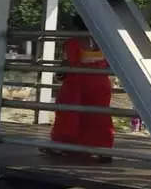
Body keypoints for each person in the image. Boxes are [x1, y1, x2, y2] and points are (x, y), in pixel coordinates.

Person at [46, 15, 114, 158]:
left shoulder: (73, 42)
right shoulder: (102, 41)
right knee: (98, 116)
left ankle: (63, 146)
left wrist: (59, 74)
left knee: (69, 114)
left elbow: (68, 64)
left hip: (78, 83)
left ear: (76, 27)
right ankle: (102, 150)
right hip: (101, 83)